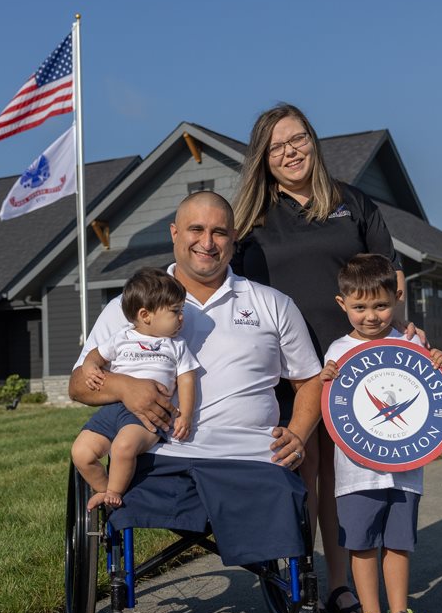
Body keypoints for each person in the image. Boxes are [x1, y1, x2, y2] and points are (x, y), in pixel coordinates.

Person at [232, 102, 421, 613]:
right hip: (285, 368)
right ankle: (297, 581)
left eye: (298, 140)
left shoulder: (353, 203)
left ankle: (338, 587)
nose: (290, 152)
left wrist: (403, 333)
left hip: (352, 369)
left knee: (342, 480)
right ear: (263, 159)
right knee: (301, 475)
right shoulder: (249, 222)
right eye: (276, 147)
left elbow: (388, 283)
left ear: (313, 141)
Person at [67, 191, 322, 568]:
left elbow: (311, 380)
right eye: (196, 229)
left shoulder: (272, 303)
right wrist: (123, 386)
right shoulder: (132, 304)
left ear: (234, 239)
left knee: (286, 489)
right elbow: (77, 384)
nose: (207, 242)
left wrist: (298, 434)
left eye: (219, 232)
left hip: (249, 456)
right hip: (160, 456)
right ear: (174, 233)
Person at [319, 253, 442, 613]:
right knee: (360, 543)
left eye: (380, 305)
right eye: (359, 307)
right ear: (343, 305)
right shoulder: (338, 350)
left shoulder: (411, 344)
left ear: (396, 298)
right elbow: (334, 403)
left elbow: (434, 388)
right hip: (357, 471)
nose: (371, 316)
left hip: (405, 469)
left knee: (399, 543)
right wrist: (327, 378)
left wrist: (441, 362)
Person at [72, 267, 199, 511]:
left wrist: (186, 413)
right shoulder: (122, 337)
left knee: (123, 447)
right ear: (145, 315)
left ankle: (114, 494)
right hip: (113, 409)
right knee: (81, 452)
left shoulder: (176, 346)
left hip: (148, 418)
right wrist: (90, 367)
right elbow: (96, 355)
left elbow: (186, 380)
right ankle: (103, 490)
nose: (182, 317)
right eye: (175, 311)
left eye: (181, 310)